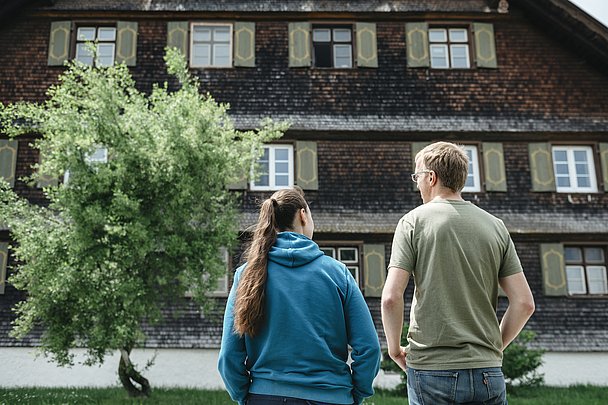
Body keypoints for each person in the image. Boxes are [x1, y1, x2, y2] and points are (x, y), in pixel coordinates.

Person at [381, 142, 535, 405]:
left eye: (417, 176)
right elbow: (524, 303)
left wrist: (394, 349)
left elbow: (391, 298)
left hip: (432, 369)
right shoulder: (495, 226)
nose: (417, 184)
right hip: (488, 371)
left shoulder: (413, 222)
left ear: (431, 177)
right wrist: (492, 347)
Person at [218, 186, 381, 405]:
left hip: (265, 397)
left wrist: (245, 396)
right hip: (331, 397)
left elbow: (229, 355)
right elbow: (368, 348)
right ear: (303, 215)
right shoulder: (338, 273)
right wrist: (355, 393)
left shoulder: (246, 274)